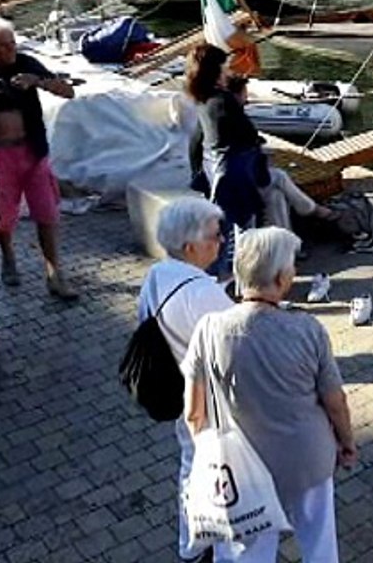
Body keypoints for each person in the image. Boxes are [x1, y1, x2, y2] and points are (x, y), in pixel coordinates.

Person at [183, 227, 356, 562]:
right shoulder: (308, 330)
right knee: (319, 541)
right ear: (280, 279)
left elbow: (194, 412)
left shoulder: (209, 329)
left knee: (250, 551)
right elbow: (336, 402)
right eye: (291, 267)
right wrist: (346, 442)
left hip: (244, 468)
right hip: (309, 457)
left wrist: (210, 457)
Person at [135, 198, 237, 562]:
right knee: (225, 475)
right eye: (215, 235)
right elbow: (239, 351)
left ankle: (192, 545)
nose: (222, 241)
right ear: (191, 247)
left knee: (190, 466)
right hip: (212, 403)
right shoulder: (203, 294)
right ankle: (218, 549)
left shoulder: (158, 274)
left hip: (180, 395)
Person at [0, 17, 79, 299]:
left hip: (33, 151)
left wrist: (38, 81)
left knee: (47, 212)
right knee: (2, 216)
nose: (11, 50)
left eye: (13, 44)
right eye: (3, 46)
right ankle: (8, 257)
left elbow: (68, 91)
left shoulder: (26, 62)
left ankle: (54, 272)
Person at [183, 44, 346, 247]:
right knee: (274, 183)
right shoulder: (224, 101)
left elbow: (195, 142)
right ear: (215, 69)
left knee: (276, 192)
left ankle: (289, 247)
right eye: (224, 66)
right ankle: (304, 225)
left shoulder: (202, 99)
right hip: (236, 179)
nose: (227, 70)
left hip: (217, 175)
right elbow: (250, 138)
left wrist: (197, 178)